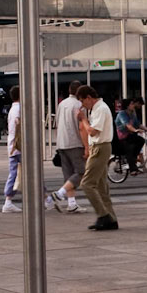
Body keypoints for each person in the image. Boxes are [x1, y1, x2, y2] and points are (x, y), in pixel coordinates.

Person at [76, 86, 119, 230]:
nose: (83, 105)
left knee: (87, 183)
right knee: (101, 186)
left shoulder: (100, 108)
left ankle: (103, 215)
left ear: (89, 97)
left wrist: (83, 119)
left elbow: (93, 132)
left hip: (100, 147)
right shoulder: (96, 109)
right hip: (100, 147)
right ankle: (111, 218)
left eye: (83, 101)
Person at [51, 83, 86, 214]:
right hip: (75, 142)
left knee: (68, 175)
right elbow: (81, 126)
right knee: (81, 171)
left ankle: (71, 203)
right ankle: (59, 194)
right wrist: (86, 146)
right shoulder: (78, 105)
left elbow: (57, 123)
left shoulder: (62, 104)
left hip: (61, 142)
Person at [2, 91, 22, 212]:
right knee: (16, 173)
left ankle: (46, 198)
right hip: (18, 147)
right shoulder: (18, 109)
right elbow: (18, 126)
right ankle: (8, 200)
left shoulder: (12, 109)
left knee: (16, 173)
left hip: (14, 146)